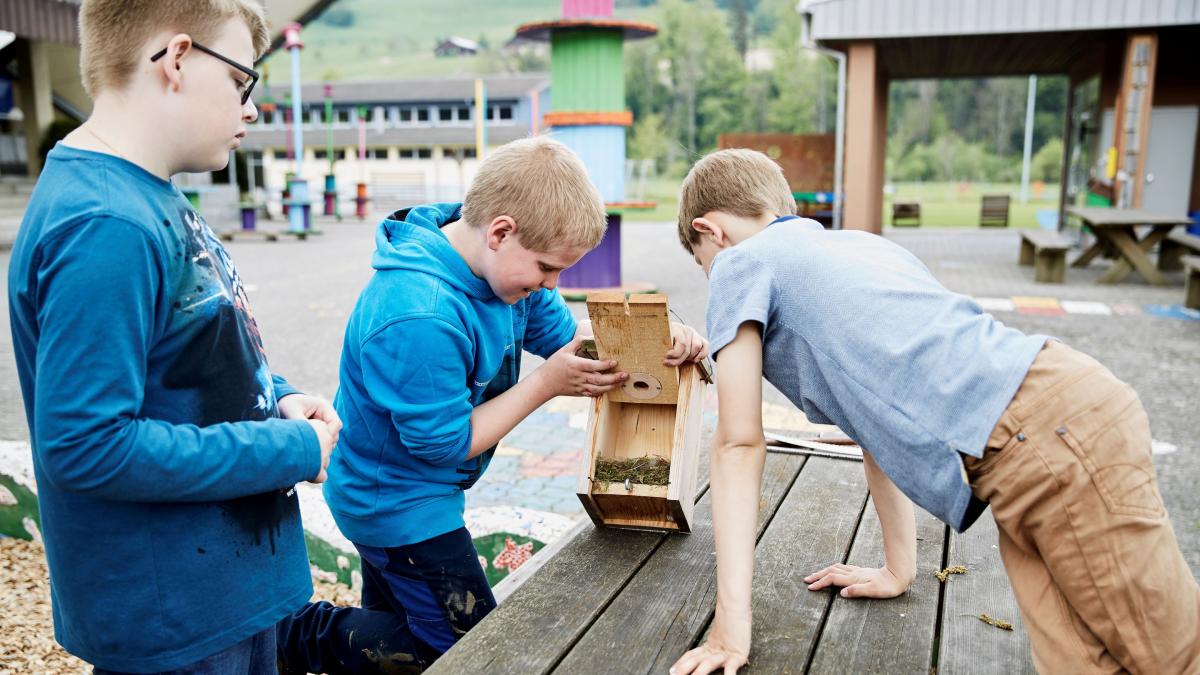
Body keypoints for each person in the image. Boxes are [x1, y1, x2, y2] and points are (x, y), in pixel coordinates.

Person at [668, 148, 1200, 675]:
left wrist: (728, 629)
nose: (712, 276)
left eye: (702, 264)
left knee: (1172, 658)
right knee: (1081, 660)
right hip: (1045, 431)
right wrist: (900, 568)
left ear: (710, 230)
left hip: (1041, 439)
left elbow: (738, 443)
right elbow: (875, 425)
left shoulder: (740, 262)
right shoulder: (860, 247)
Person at [276, 136, 709, 673]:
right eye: (548, 269)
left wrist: (666, 335)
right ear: (501, 231)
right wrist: (545, 384)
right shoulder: (420, 315)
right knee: (466, 650)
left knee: (406, 621)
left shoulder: (500, 271)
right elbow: (444, 445)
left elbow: (565, 335)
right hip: (394, 502)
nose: (553, 285)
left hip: (410, 491)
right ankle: (299, 636)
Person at [7, 1, 340, 671]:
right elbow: (88, 445)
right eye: (244, 80)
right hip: (178, 621)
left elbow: (193, 350)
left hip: (219, 597)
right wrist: (289, 448)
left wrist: (277, 396)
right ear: (178, 58)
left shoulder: (149, 195)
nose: (250, 109)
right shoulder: (107, 224)